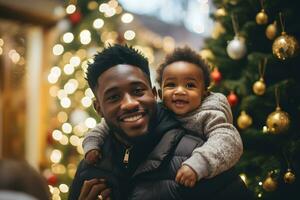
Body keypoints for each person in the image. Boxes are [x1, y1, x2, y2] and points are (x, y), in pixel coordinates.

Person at [68, 44, 250, 200]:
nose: (130, 104)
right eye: (114, 97)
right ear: (98, 108)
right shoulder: (89, 167)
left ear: (154, 94)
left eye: (138, 91)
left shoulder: (199, 157)